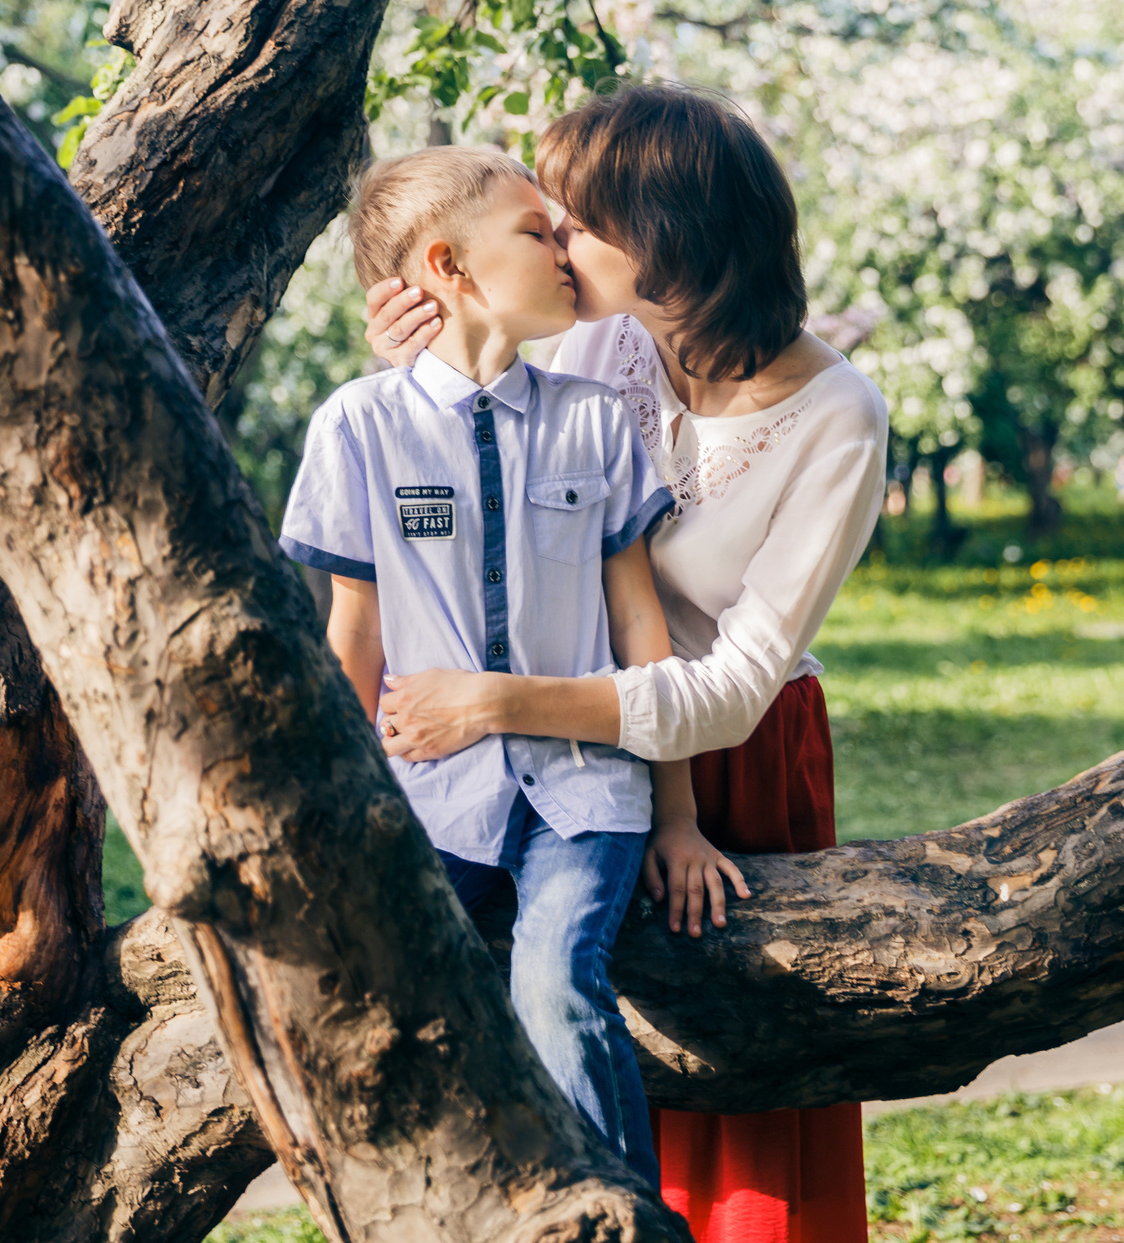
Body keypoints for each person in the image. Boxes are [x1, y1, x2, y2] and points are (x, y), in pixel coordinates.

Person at [369, 83, 889, 1243]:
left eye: (574, 221)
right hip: (539, 745)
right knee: (542, 1006)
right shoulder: (601, 338)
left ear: (666, 243)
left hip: (729, 765)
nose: (552, 237)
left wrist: (533, 719)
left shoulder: (838, 419)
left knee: (737, 1097)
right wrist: (420, 357)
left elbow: (730, 686)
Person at [278, 142, 746, 1188]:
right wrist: (342, 817)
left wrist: (677, 818)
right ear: (449, 267)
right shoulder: (358, 427)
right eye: (538, 234)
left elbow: (642, 635)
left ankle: (623, 1218)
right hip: (430, 797)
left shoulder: (593, 421)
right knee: (379, 985)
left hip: (589, 793)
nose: (564, 254)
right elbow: (354, 635)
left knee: (553, 984)